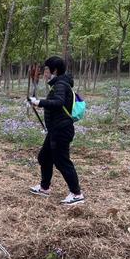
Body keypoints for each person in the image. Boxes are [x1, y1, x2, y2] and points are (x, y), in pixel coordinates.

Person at [29, 56, 85, 205]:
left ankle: (76, 193)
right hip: (55, 129)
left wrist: (39, 102)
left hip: (61, 130)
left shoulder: (60, 84)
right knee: (44, 157)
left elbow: (59, 102)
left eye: (46, 69)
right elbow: (56, 104)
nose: (44, 72)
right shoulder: (59, 84)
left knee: (62, 161)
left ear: (54, 70)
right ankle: (44, 188)